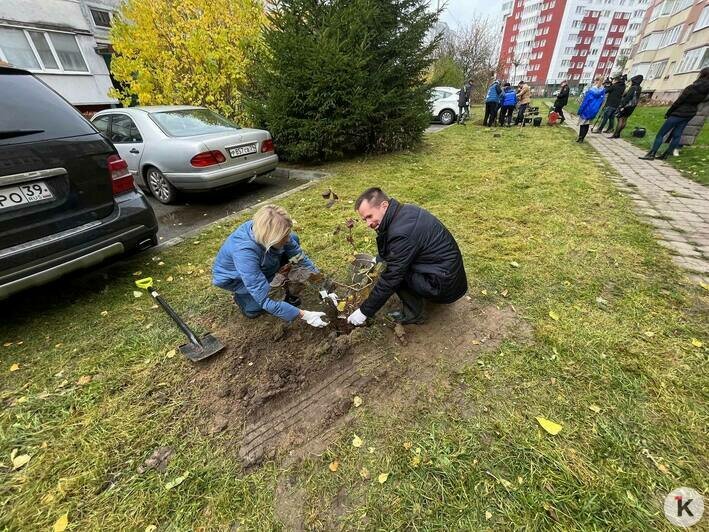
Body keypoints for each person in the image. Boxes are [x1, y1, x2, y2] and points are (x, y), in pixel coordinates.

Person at [346, 188, 467, 326]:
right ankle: (418, 295)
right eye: (364, 219)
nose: (368, 224)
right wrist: (378, 259)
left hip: (444, 287)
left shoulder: (402, 233)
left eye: (369, 216)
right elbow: (395, 249)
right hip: (448, 276)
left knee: (395, 273)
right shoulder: (403, 212)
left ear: (384, 206)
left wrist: (364, 311)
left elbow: (392, 277)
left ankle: (414, 314)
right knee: (393, 265)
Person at [212, 205, 328, 328]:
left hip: (264, 262)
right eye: (284, 236)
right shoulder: (244, 253)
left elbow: (301, 259)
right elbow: (266, 298)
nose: (288, 239)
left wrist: (323, 287)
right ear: (271, 238)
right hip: (237, 279)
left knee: (293, 238)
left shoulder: (266, 231)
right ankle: (243, 298)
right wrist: (304, 314)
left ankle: (276, 278)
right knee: (257, 306)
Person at [640, 67, 709, 160]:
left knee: (661, 133)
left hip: (679, 112)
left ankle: (652, 154)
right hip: (691, 112)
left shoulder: (692, 87)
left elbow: (679, 101)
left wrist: (669, 112)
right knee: (677, 134)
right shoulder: (706, 91)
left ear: (702, 74)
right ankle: (666, 155)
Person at [609, 74, 643, 139]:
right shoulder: (639, 88)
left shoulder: (633, 88)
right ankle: (618, 134)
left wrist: (622, 106)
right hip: (632, 106)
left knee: (620, 119)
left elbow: (627, 98)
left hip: (626, 106)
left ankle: (616, 134)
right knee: (625, 119)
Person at [576, 76, 606, 142]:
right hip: (594, 110)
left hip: (587, 109)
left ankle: (580, 137)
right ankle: (582, 138)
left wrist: (580, 109)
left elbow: (586, 100)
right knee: (587, 124)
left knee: (582, 123)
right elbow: (603, 101)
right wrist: (599, 109)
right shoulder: (603, 91)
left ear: (595, 81)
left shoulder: (591, 90)